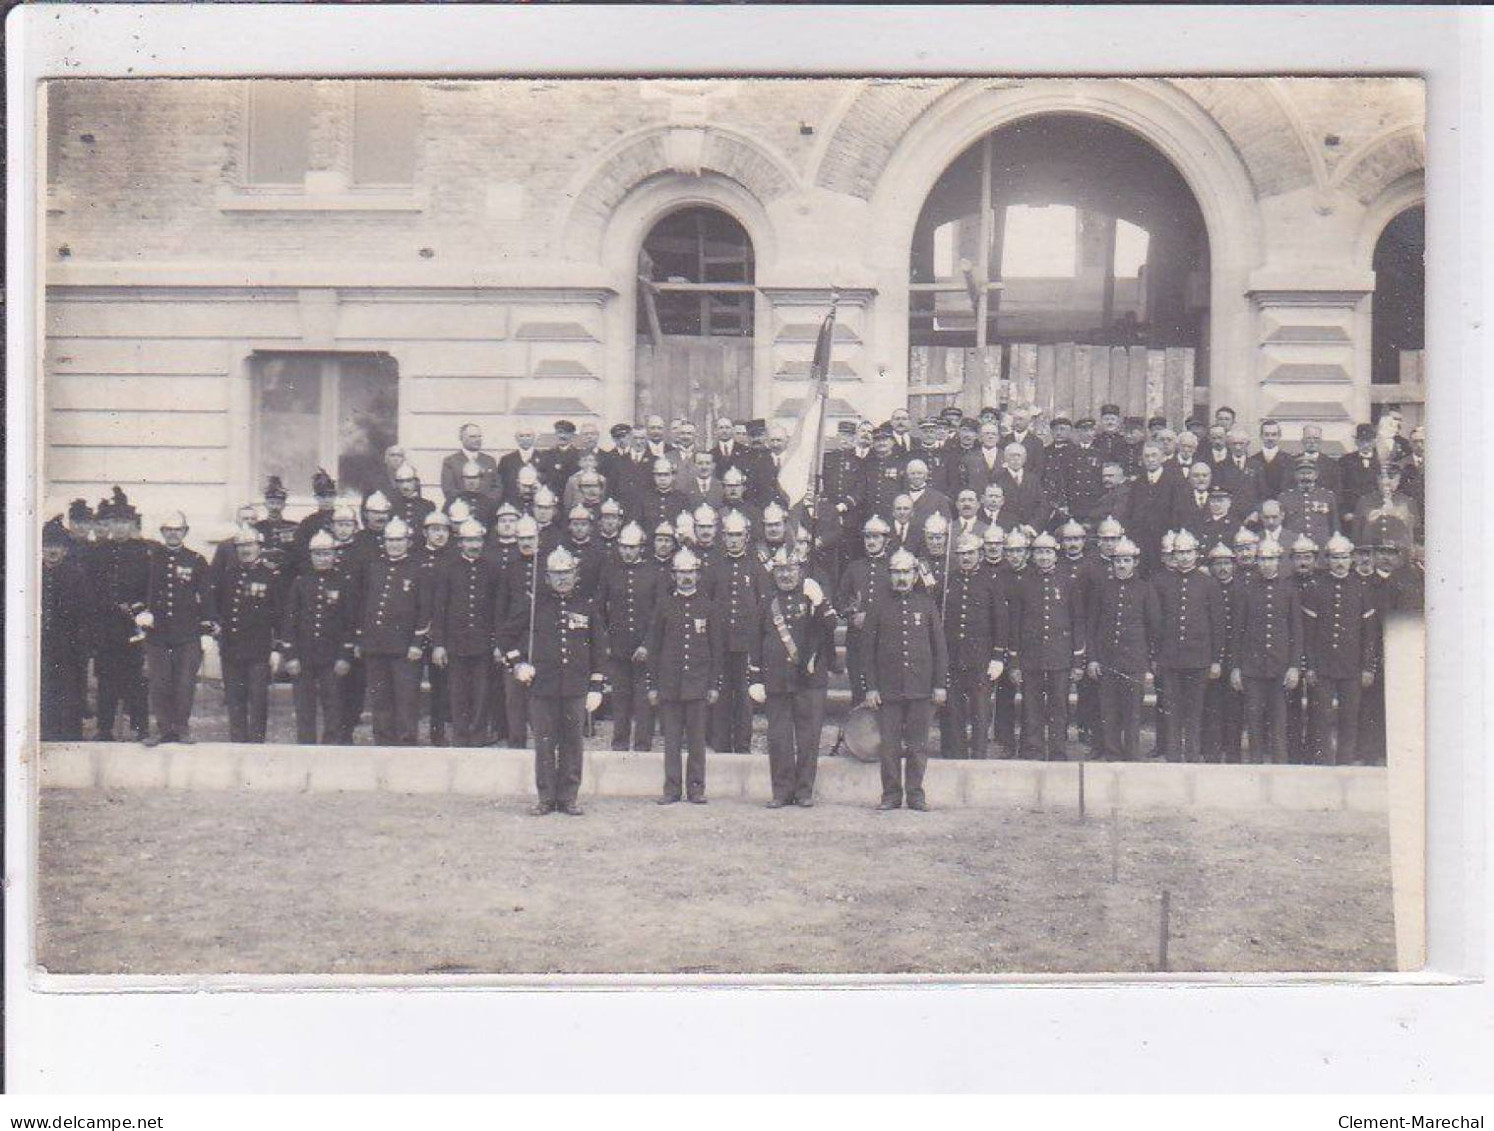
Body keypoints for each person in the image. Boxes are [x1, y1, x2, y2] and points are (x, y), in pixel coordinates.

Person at [508, 545, 606, 815]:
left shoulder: (586, 605)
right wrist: (518, 663)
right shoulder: (533, 606)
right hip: (543, 686)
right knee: (545, 743)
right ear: (547, 576)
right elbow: (506, 637)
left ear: (576, 575)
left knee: (573, 743)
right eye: (556, 574)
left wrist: (596, 685)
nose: (562, 578)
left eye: (567, 573)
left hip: (575, 687)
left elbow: (598, 647)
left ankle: (568, 797)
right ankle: (546, 797)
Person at [747, 547, 837, 807]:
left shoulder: (811, 596)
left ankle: (804, 791)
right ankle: (782, 791)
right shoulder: (766, 601)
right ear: (773, 572)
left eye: (791, 569)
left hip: (809, 679)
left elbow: (829, 627)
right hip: (777, 679)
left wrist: (820, 602)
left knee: (808, 739)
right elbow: (756, 641)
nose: (786, 575)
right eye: (781, 570)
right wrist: (755, 676)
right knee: (779, 738)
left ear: (800, 570)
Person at [861, 548, 947, 811]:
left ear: (914, 574)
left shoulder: (926, 604)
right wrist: (871, 687)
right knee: (889, 746)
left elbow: (939, 648)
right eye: (896, 572)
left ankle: (916, 794)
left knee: (918, 745)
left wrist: (939, 684)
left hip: (920, 687)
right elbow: (867, 649)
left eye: (906, 572)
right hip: (888, 689)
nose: (901, 577)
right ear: (889, 575)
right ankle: (891, 795)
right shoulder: (878, 606)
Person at [647, 547, 722, 805]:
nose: (686, 578)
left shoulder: (708, 607)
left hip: (698, 685)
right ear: (673, 575)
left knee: (697, 740)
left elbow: (716, 649)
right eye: (681, 573)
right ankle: (671, 789)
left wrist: (713, 685)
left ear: (698, 575)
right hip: (669, 685)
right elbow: (654, 649)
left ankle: (696, 788)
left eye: (690, 573)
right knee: (671, 741)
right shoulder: (664, 606)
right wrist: (653, 685)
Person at [139, 511, 216, 746]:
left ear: (185, 532)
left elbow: (206, 597)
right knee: (159, 682)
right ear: (162, 532)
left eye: (178, 530)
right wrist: (142, 611)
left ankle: (182, 728)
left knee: (185, 682)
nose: (173, 534)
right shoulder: (151, 559)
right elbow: (140, 589)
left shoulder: (196, 560)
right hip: (158, 632)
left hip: (187, 632)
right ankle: (163, 729)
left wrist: (206, 630)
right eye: (168, 530)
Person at [1302, 533, 1378, 765]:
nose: (1340, 562)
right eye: (1335, 558)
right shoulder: (1317, 587)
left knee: (1349, 718)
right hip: (1324, 665)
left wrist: (1368, 667)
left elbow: (1369, 633)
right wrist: (1311, 666)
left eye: (1344, 557)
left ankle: (1345, 763)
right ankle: (1324, 763)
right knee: (1321, 718)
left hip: (1352, 666)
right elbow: (1309, 633)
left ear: (1351, 559)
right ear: (1328, 560)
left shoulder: (1361, 588)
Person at [1009, 532, 1085, 761]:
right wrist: (1014, 661)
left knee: (1058, 707)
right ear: (1032, 555)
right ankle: (1033, 750)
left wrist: (1078, 660)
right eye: (1040, 552)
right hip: (1031, 657)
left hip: (1059, 656)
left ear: (1056, 554)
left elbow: (1077, 621)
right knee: (1031, 706)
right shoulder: (1023, 584)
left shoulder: (1068, 582)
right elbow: (1016, 624)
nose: (1044, 557)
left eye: (1048, 552)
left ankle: (1057, 751)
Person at [1150, 529, 1224, 762]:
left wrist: (1215, 660)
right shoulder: (1161, 582)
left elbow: (1217, 625)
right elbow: (1156, 622)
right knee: (1172, 709)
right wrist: (1156, 655)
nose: (1183, 557)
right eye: (1179, 553)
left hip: (1199, 659)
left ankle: (1191, 755)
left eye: (1188, 552)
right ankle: (1173, 754)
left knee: (1194, 710)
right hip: (1170, 658)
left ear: (1196, 553)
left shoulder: (1208, 583)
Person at [356, 517, 431, 746]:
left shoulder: (418, 569)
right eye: (390, 540)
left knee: (406, 699)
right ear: (384, 542)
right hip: (376, 645)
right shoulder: (375, 567)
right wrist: (361, 639)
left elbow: (425, 609)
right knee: (380, 699)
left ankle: (406, 744)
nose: (394, 545)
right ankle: (383, 742)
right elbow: (364, 605)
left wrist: (417, 643)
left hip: (405, 648)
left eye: (399, 540)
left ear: (408, 542)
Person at [429, 519, 501, 748]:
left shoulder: (491, 568)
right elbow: (439, 608)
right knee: (457, 692)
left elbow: (497, 609)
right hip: (455, 642)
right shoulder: (448, 569)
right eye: (469, 540)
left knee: (481, 692)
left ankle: (478, 735)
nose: (474, 544)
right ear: (460, 543)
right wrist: (438, 644)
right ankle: (461, 735)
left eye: (477, 539)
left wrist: (497, 641)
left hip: (482, 642)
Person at [1085, 537, 1158, 761]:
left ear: (1134, 562)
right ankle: (1112, 753)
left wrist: (1148, 663)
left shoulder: (1145, 589)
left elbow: (1153, 626)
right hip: (1108, 660)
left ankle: (1132, 754)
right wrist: (1093, 659)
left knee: (1133, 712)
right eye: (1118, 561)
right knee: (1109, 711)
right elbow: (1093, 626)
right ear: (1112, 563)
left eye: (1127, 560)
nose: (1122, 565)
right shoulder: (1103, 589)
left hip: (1134, 661)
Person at [1232, 537, 1303, 765]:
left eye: (1271, 559)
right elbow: (1237, 632)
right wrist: (1236, 668)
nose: (1266, 564)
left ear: (1278, 561)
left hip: (1280, 667)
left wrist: (1293, 666)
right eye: (1262, 559)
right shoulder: (1246, 590)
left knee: (1279, 724)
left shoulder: (1289, 590)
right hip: (1252, 668)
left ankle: (1280, 771)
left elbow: (1296, 632)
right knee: (1253, 723)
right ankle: (1255, 769)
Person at [280, 529, 356, 745]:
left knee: (334, 707)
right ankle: (306, 748)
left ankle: (331, 749)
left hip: (332, 657)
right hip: (304, 656)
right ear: (311, 556)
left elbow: (349, 623)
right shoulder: (300, 583)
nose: (322, 559)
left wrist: (345, 656)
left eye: (327, 554)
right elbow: (290, 621)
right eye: (318, 554)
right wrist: (290, 655)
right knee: (304, 708)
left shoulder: (343, 583)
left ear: (334, 555)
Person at [89, 487, 152, 741]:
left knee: (135, 680)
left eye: (125, 522)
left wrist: (139, 608)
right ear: (109, 523)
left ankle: (140, 728)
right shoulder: (98, 551)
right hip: (106, 625)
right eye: (115, 521)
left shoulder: (143, 551)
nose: (120, 527)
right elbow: (92, 587)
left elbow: (151, 587)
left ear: (132, 524)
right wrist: (108, 606)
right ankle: (104, 728)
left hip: (133, 626)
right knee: (106, 679)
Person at [939, 531, 1008, 760]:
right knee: (955, 710)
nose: (966, 558)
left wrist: (998, 656)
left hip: (981, 658)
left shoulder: (991, 582)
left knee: (980, 710)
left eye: (970, 553)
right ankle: (958, 754)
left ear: (979, 554)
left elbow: (1001, 620)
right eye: (962, 554)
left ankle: (978, 755)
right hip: (954, 656)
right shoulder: (951, 580)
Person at [707, 507, 770, 752]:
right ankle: (721, 744)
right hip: (720, 643)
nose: (733, 540)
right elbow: (708, 603)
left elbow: (763, 606)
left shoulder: (755, 568)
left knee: (744, 697)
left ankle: (743, 745)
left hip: (747, 644)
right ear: (723, 537)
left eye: (738, 535)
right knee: (722, 694)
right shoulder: (715, 567)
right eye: (729, 535)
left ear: (746, 536)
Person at [214, 526, 282, 744]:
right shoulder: (228, 574)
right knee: (235, 702)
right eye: (241, 546)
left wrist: (277, 648)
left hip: (259, 651)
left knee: (258, 702)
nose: (246, 550)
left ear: (259, 547)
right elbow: (217, 605)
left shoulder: (271, 575)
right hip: (232, 649)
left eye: (250, 545)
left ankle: (256, 746)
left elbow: (279, 615)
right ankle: (237, 745)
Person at [598, 521, 660, 752]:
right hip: (618, 647)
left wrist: (648, 645)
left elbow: (658, 613)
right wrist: (606, 640)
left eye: (632, 547)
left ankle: (643, 745)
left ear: (641, 548)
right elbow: (599, 608)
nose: (627, 551)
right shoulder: (610, 571)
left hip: (644, 648)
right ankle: (620, 744)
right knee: (620, 698)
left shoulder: (652, 573)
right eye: (624, 547)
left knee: (643, 701)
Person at [835, 516, 893, 707]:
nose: (871, 541)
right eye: (868, 537)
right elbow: (840, 600)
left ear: (886, 540)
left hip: (885, 640)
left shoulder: (894, 568)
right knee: (859, 689)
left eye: (876, 537)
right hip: (858, 639)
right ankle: (859, 735)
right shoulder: (854, 568)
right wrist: (851, 616)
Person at [41, 516, 89, 740]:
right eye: (48, 546)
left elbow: (83, 614)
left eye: (57, 546)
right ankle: (46, 733)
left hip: (69, 646)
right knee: (44, 689)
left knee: (69, 691)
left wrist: (81, 644)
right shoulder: (33, 575)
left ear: (65, 550)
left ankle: (71, 736)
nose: (52, 551)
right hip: (41, 645)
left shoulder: (75, 576)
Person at [1201, 543, 1245, 762]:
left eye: (1227, 563)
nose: (1223, 568)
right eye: (1218, 564)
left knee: (1234, 707)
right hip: (1210, 657)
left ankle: (1233, 753)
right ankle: (1212, 752)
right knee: (1212, 706)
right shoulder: (1205, 588)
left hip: (1235, 656)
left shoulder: (1242, 589)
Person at [1281, 455, 1338, 549]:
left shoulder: (1327, 496)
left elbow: (1334, 524)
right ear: (1295, 475)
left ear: (1316, 475)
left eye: (1309, 473)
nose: (1306, 476)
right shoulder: (1285, 497)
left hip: (1321, 544)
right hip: (1294, 545)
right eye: (1302, 473)